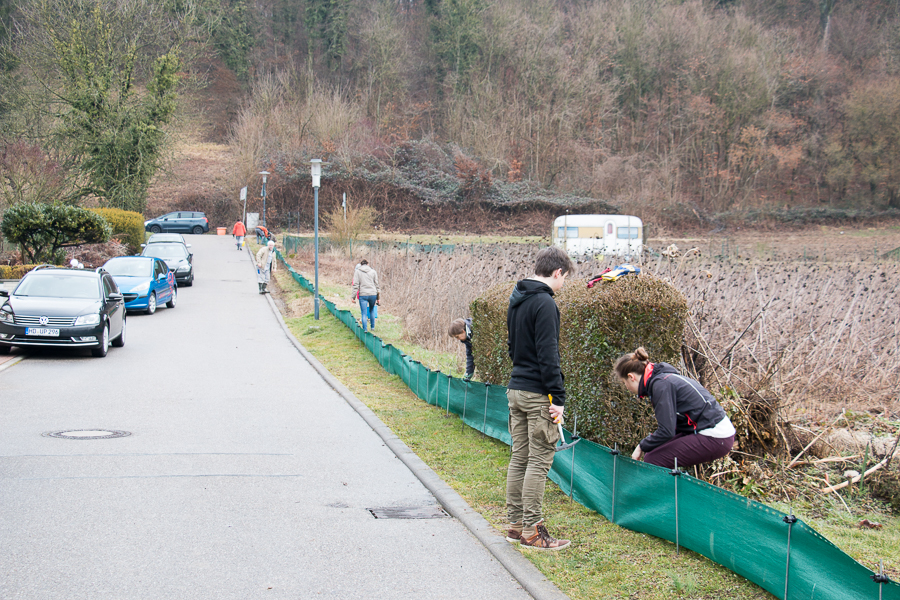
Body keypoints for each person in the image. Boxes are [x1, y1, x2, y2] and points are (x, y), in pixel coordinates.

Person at [504, 246, 573, 551]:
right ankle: (533, 530)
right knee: (539, 462)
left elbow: (511, 346)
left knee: (520, 457)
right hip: (536, 394)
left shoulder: (516, 298)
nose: (563, 285)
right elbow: (549, 355)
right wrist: (557, 396)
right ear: (557, 272)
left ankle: (515, 526)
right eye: (564, 279)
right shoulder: (545, 303)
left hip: (516, 388)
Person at [615, 347, 735, 469]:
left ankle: (669, 488)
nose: (627, 387)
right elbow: (671, 428)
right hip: (710, 430)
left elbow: (666, 431)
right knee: (652, 454)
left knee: (653, 460)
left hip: (716, 435)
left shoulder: (661, 385)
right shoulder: (662, 379)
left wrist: (641, 446)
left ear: (631, 377)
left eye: (625, 383)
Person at [350, 259, 379, 332]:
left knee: (364, 313)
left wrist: (353, 297)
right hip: (373, 294)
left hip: (363, 295)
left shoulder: (357, 272)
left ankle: (365, 330)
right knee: (372, 310)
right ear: (368, 264)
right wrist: (378, 297)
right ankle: (372, 327)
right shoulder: (373, 271)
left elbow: (355, 285)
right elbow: (377, 285)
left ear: (361, 265)